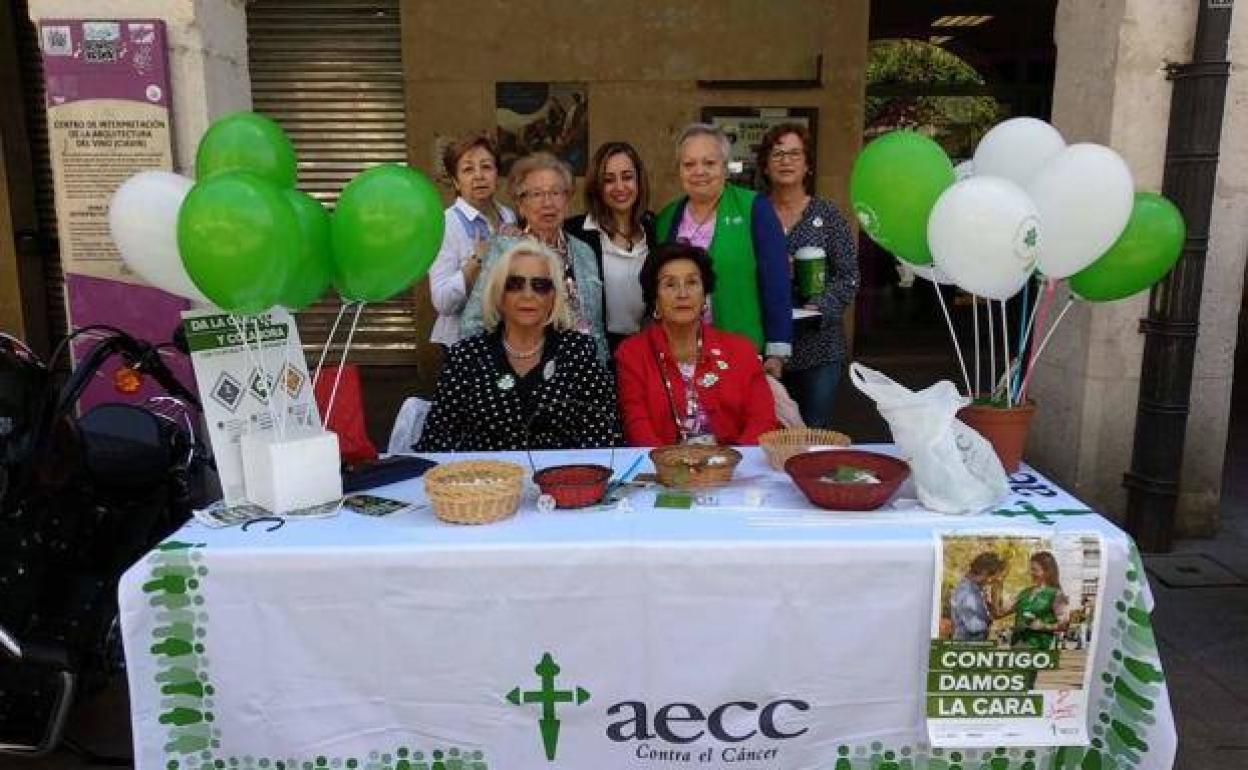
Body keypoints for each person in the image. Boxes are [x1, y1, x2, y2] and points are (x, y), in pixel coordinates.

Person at [417, 242, 617, 452]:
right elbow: (437, 441)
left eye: (540, 285)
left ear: (553, 297)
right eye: (514, 284)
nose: (528, 295)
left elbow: (603, 436)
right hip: (484, 480)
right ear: (498, 295)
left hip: (560, 480)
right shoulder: (466, 356)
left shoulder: (578, 351)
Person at [654, 123, 792, 379]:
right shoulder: (666, 219)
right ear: (679, 171)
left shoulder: (754, 208)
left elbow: (776, 281)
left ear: (725, 167)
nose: (699, 172)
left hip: (741, 352)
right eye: (689, 164)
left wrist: (776, 350)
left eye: (709, 163)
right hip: (680, 354)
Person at [616, 242, 778, 446]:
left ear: (704, 296)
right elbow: (637, 426)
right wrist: (671, 469)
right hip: (663, 470)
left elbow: (762, 420)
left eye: (692, 283)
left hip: (736, 468)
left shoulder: (740, 349)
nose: (682, 294)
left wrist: (733, 465)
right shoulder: (632, 353)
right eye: (670, 284)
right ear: (655, 300)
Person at [757, 123, 860, 428]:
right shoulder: (753, 213)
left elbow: (849, 275)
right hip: (763, 345)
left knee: (814, 434)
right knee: (767, 433)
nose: (785, 161)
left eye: (794, 153)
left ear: (808, 164)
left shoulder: (827, 215)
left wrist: (822, 304)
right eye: (777, 154)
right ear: (765, 164)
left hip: (819, 348)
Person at [462, 152, 608, 363]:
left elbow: (595, 326)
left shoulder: (584, 251)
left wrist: (600, 373)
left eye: (556, 192)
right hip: (523, 369)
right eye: (536, 194)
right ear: (521, 205)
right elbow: (473, 323)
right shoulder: (505, 250)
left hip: (579, 372)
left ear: (567, 200)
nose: (547, 202)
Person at [564, 141, 657, 353]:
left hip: (645, 348)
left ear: (639, 181)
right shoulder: (574, 233)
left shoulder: (653, 230)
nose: (620, 187)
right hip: (594, 350)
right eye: (608, 180)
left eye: (627, 177)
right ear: (596, 186)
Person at [427, 134, 517, 347]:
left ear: (497, 174)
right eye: (468, 169)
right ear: (456, 181)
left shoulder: (508, 215)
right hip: (462, 342)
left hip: (505, 337)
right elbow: (442, 302)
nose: (479, 176)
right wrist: (476, 260)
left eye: (486, 167)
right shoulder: (445, 224)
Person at [995, 551, 1070, 650]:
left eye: (1035, 570)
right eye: (1030, 569)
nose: (1031, 573)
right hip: (1017, 647)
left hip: (1040, 650)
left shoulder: (1056, 595)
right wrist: (997, 587)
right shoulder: (1024, 593)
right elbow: (999, 613)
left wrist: (1043, 626)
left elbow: (1064, 624)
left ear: (1047, 572)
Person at [949, 552, 1006, 642]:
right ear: (984, 572)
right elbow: (973, 627)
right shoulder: (966, 593)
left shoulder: (976, 589)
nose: (991, 581)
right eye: (993, 578)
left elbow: (992, 612)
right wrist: (998, 631)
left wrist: (996, 594)